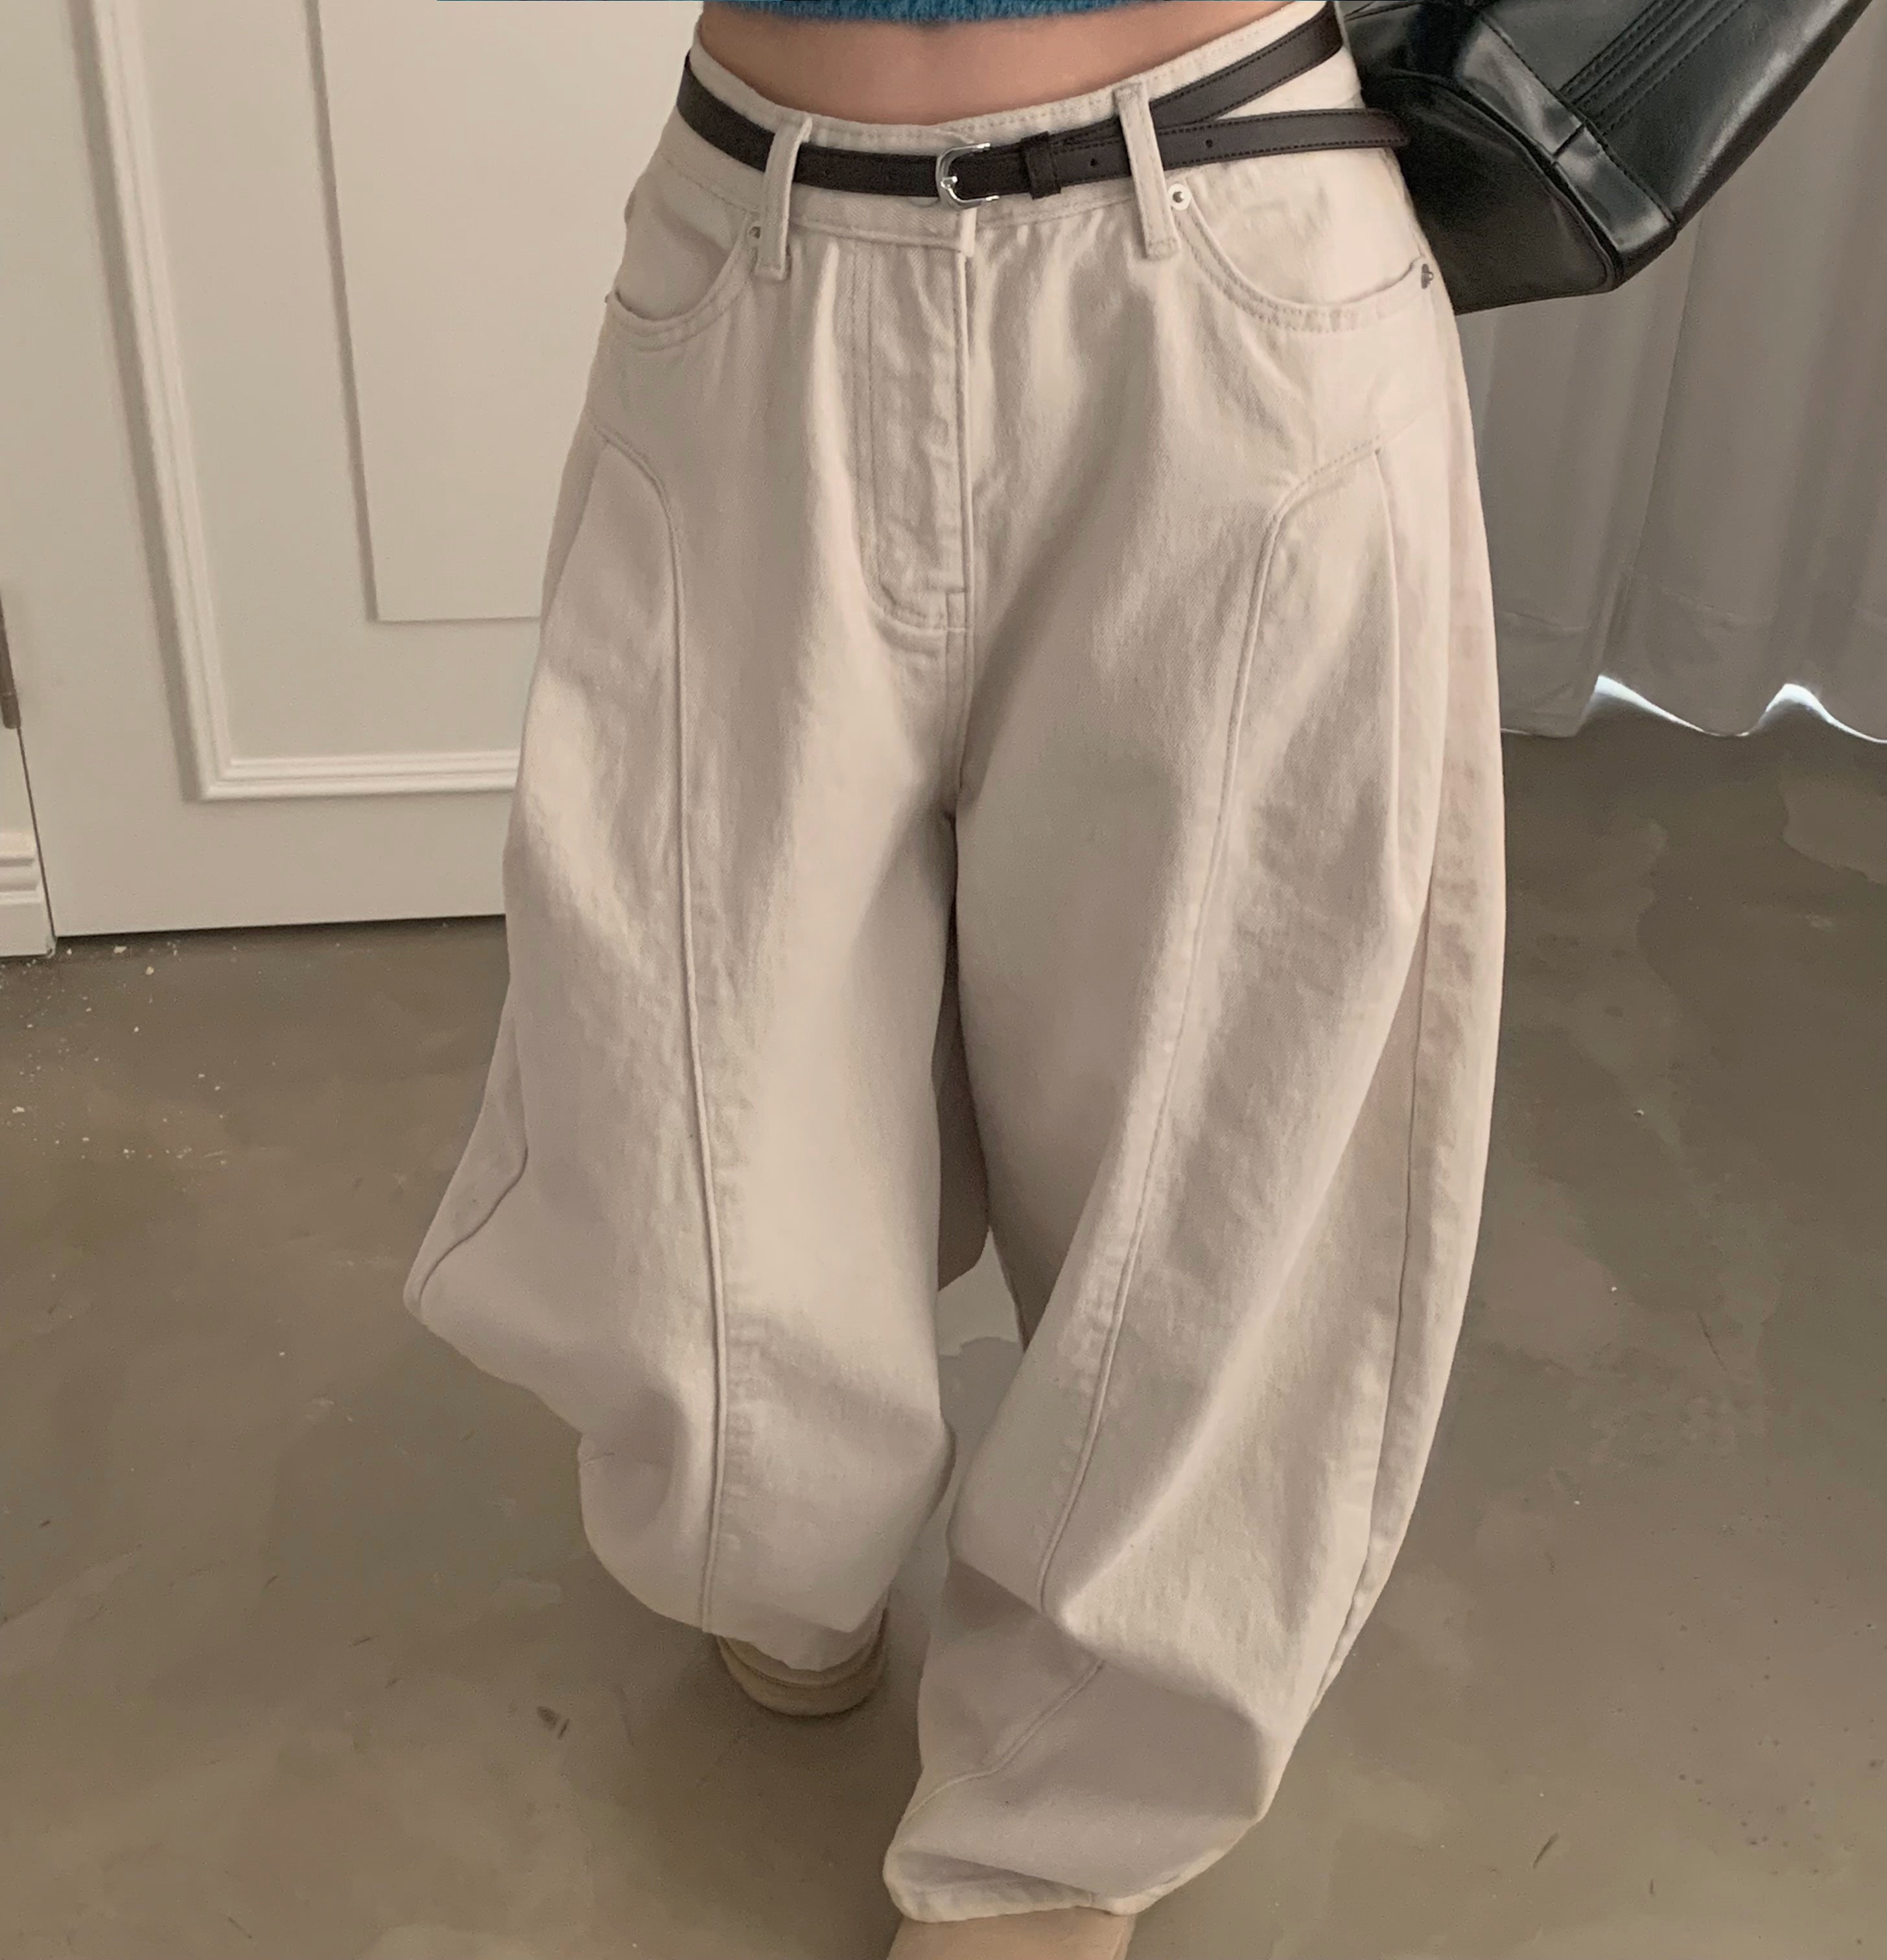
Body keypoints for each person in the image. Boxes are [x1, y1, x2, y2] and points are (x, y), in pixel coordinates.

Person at [404, 2, 1505, 1954]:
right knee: (691, 1048)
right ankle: (781, 1520)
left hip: (1230, 234)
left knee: (1220, 1117)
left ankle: (1070, 1805)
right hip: (757, 244)